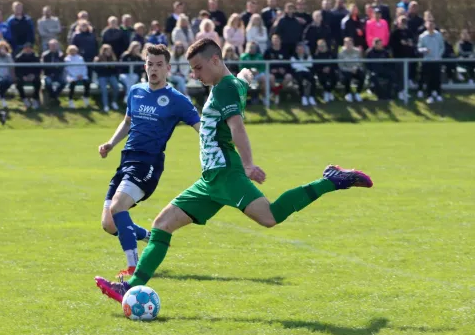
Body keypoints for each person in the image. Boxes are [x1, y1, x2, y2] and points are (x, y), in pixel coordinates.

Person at [94, 38, 373, 302]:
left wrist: (248, 163)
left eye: (198, 68)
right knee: (161, 225)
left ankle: (331, 180)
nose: (195, 75)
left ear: (215, 60)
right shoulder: (231, 84)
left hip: (226, 173)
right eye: (192, 70)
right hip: (209, 180)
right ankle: (130, 286)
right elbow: (242, 81)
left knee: (270, 217)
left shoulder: (225, 87)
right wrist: (247, 76)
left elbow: (236, 125)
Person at [97, 43, 201, 278]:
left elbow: (200, 127)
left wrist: (217, 143)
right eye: (150, 64)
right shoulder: (135, 91)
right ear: (145, 66)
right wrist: (111, 144)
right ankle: (149, 236)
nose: (153, 69)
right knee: (108, 224)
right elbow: (127, 122)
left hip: (148, 164)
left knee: (117, 207)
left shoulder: (177, 99)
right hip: (126, 160)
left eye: (159, 65)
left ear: (168, 69)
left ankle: (134, 267)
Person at [14, 42, 41, 109]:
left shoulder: (36, 57)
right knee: (18, 84)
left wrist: (34, 75)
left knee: (38, 82)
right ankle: (24, 99)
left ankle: (35, 99)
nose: (28, 50)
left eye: (29, 48)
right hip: (23, 76)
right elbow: (17, 70)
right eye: (26, 48)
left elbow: (39, 69)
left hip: (33, 76)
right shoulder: (18, 58)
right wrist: (22, 76)